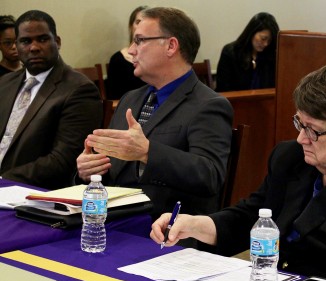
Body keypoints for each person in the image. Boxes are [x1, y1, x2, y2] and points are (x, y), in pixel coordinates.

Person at [151, 61, 326, 281]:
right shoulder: (290, 158)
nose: (301, 138)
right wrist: (193, 224)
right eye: (299, 123)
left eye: (313, 130)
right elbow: (253, 216)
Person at [76, 7, 233, 220]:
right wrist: (89, 171)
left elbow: (209, 175)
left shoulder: (209, 105)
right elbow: (113, 171)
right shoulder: (130, 99)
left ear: (171, 46)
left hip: (165, 228)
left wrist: (148, 152)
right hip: (112, 220)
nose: (131, 50)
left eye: (139, 40)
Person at [0, 10, 102, 189]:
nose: (34, 47)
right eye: (25, 41)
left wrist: (3, 179)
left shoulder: (79, 89)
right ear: (16, 45)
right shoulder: (5, 83)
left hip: (34, 193)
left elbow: (63, 160)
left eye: (42, 39)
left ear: (57, 41)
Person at [215, 12, 279, 92]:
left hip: (264, 103)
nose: (266, 44)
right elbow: (223, 89)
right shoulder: (230, 53)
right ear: (252, 32)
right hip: (234, 102)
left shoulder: (271, 56)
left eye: (269, 41)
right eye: (263, 38)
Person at [106, 6, 147, 99]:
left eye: (146, 23)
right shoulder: (117, 59)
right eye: (138, 22)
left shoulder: (158, 59)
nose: (142, 26)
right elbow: (112, 96)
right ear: (130, 26)